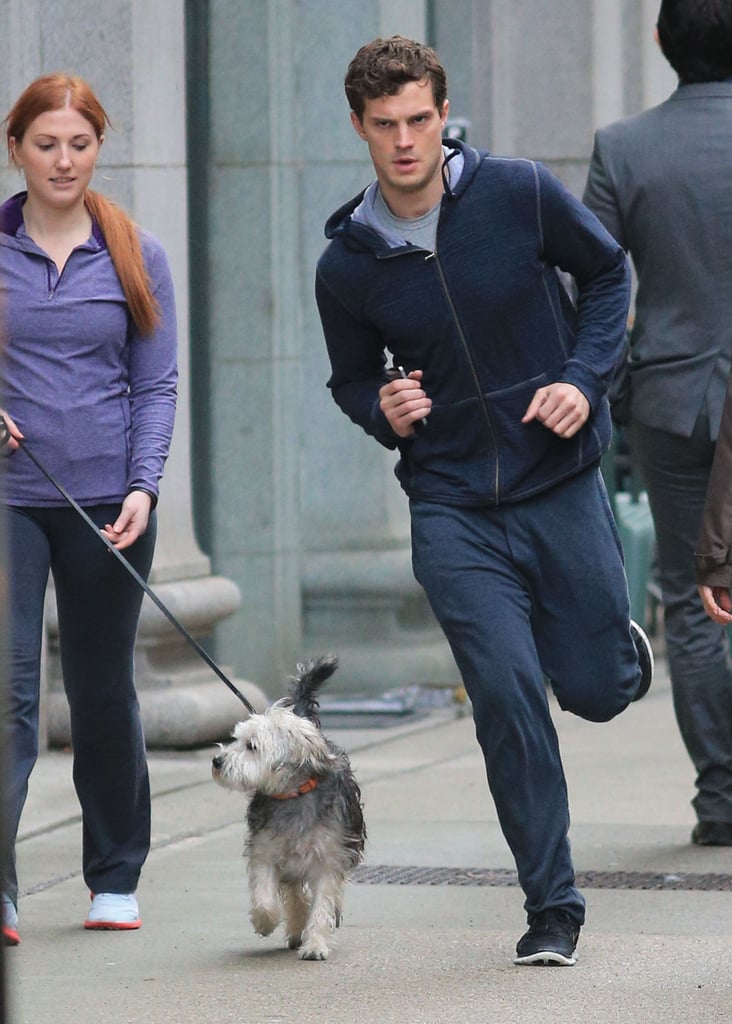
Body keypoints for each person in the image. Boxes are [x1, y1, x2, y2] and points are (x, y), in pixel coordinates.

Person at [315, 35, 653, 967]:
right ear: (360, 129)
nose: (405, 140)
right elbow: (348, 383)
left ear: (442, 113)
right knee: (506, 695)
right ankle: (552, 906)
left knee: (592, 690)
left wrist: (585, 380)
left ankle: (616, 653)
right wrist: (384, 411)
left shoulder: (517, 192)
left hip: (557, 480)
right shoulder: (347, 263)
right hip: (452, 505)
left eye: (419, 119)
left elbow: (610, 274)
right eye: (384, 125)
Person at [0, 73, 178, 945]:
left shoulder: (137, 254)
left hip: (109, 501)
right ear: (16, 149)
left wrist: (145, 486)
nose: (63, 160)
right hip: (8, 500)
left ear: (98, 147)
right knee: (9, 694)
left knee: (104, 692)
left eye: (79, 143)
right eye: (45, 144)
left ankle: (113, 875)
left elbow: (157, 382)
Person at [583, 0, 732, 848]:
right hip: (679, 402)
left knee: (693, 593)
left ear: (661, 41)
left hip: (674, 403)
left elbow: (588, 281)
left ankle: (721, 799)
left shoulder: (625, 147)